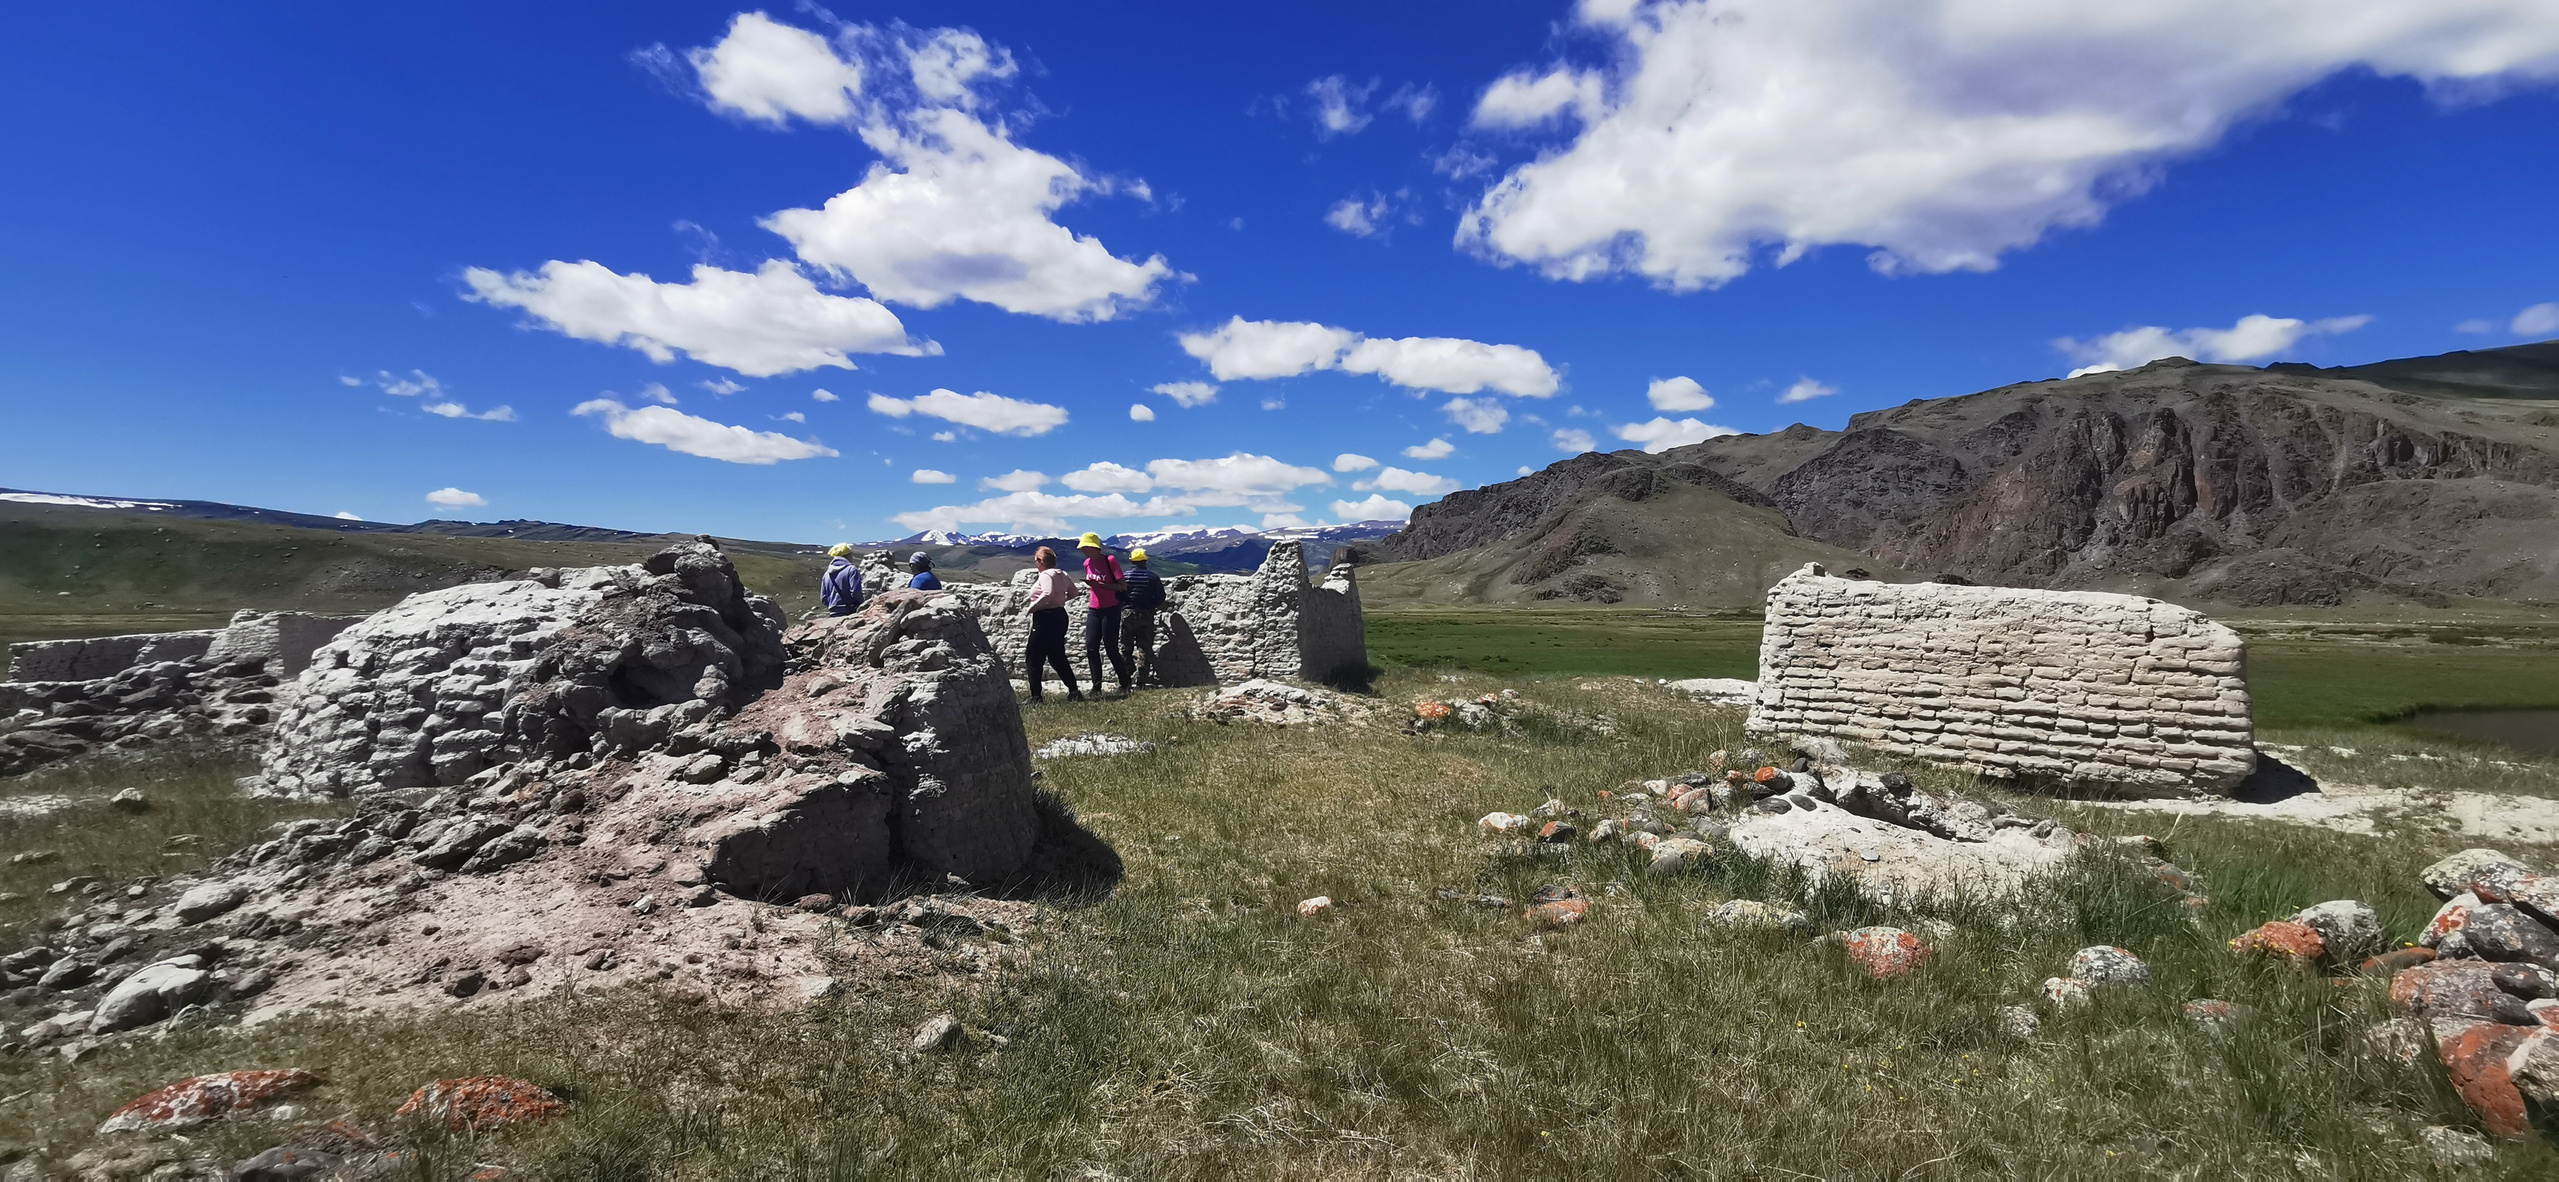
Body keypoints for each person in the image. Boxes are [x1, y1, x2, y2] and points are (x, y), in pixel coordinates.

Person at [1022, 546, 1082, 702]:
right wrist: (1060, 600)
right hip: (1060, 615)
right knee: (1057, 655)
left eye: (1036, 560)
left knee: (1034, 655)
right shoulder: (1063, 574)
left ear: (1041, 561)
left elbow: (1047, 593)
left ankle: (1036, 696)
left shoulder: (1045, 575)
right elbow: (1074, 592)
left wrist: (1033, 607)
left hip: (1045, 617)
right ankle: (1074, 691)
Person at [1076, 532, 1130, 695]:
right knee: (1091, 647)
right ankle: (1096, 687)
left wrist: (1100, 585)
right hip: (1095, 608)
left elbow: (1122, 586)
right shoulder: (1087, 563)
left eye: (1086, 547)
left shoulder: (1110, 561)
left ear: (1094, 547)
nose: (1084, 551)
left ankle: (1125, 683)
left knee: (1110, 647)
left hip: (1111, 608)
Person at [1120, 547, 1166, 688]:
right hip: (1146, 614)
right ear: (1145, 561)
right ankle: (1142, 678)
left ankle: (1127, 676)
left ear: (1132, 561)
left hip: (1127, 613)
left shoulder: (1125, 576)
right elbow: (1160, 598)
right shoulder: (1153, 577)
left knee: (1125, 647)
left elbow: (1119, 595)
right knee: (1144, 647)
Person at [820, 543, 863, 616]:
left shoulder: (827, 574)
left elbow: (823, 598)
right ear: (847, 555)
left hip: (833, 613)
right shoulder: (851, 570)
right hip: (850, 612)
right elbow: (856, 592)